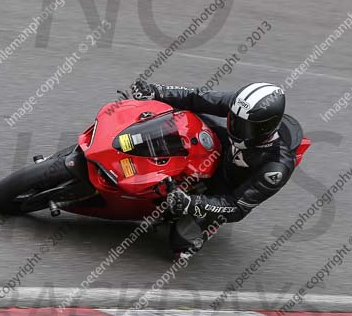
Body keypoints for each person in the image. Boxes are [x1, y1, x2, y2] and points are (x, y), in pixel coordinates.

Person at [130, 80, 303, 260]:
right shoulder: (239, 106)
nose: (236, 127)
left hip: (226, 188)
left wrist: (193, 203)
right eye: (234, 120)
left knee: (181, 246)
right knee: (175, 120)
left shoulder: (275, 167)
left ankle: (208, 225)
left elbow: (237, 207)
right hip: (221, 147)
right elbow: (196, 97)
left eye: (245, 126)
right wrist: (156, 91)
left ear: (265, 128)